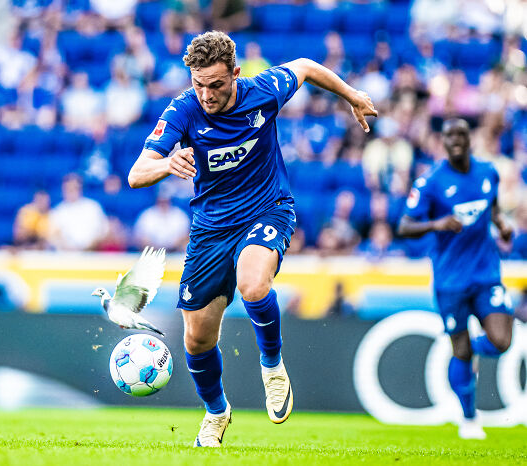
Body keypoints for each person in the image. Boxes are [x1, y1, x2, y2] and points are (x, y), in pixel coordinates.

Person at [127, 31, 377, 447]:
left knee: (253, 283)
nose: (206, 94)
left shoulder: (263, 91)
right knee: (197, 338)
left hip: (267, 209)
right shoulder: (183, 111)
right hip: (211, 229)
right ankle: (216, 412)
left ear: (236, 75)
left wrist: (351, 94)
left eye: (216, 84)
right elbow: (137, 173)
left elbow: (307, 66)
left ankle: (273, 366)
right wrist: (167, 163)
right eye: (198, 83)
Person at [397, 118, 514, 440]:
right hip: (451, 280)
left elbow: (493, 209)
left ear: (469, 138)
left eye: (462, 134)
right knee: (460, 351)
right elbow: (405, 226)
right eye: (450, 136)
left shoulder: (487, 172)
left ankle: (467, 349)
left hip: (486, 274)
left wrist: (502, 225)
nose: (456, 140)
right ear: (443, 142)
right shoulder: (431, 182)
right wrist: (436, 225)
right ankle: (468, 418)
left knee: (501, 341)